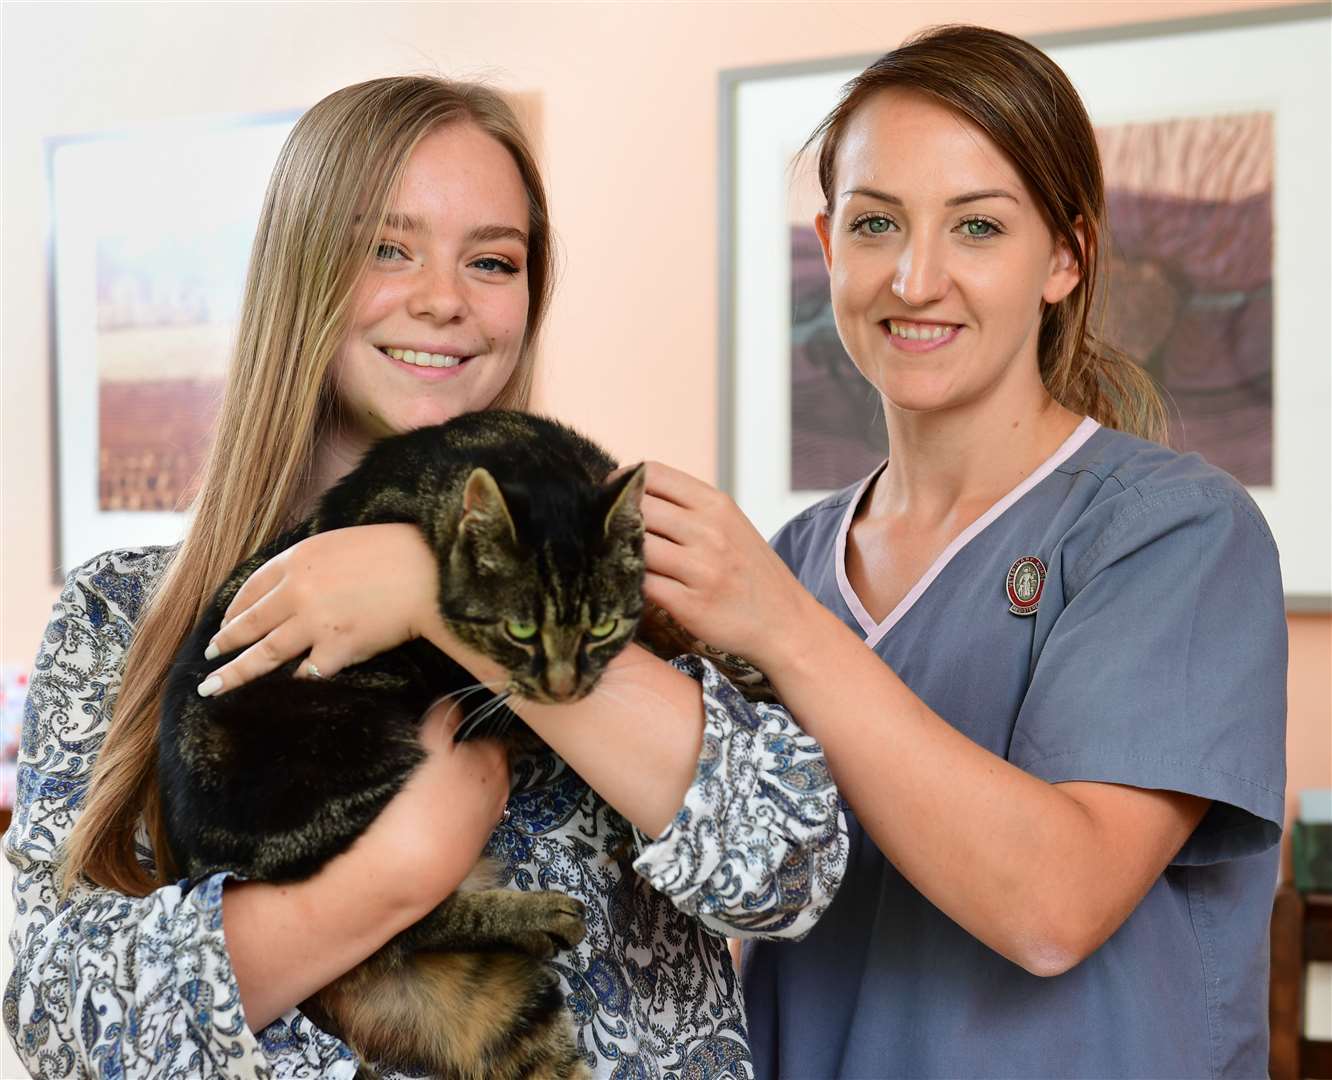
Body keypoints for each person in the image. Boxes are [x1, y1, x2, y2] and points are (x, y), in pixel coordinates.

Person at [4, 77, 845, 1079]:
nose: (444, 298)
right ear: (301, 270)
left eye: (491, 260)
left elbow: (786, 866)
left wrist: (431, 591)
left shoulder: (621, 577)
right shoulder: (119, 615)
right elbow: (64, 1020)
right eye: (387, 248)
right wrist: (391, 880)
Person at [634, 26, 1286, 1079]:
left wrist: (784, 630)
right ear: (829, 243)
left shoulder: (1176, 532)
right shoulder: (794, 559)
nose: (916, 276)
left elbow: (1054, 906)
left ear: (1064, 257)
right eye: (876, 223)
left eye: (977, 227)